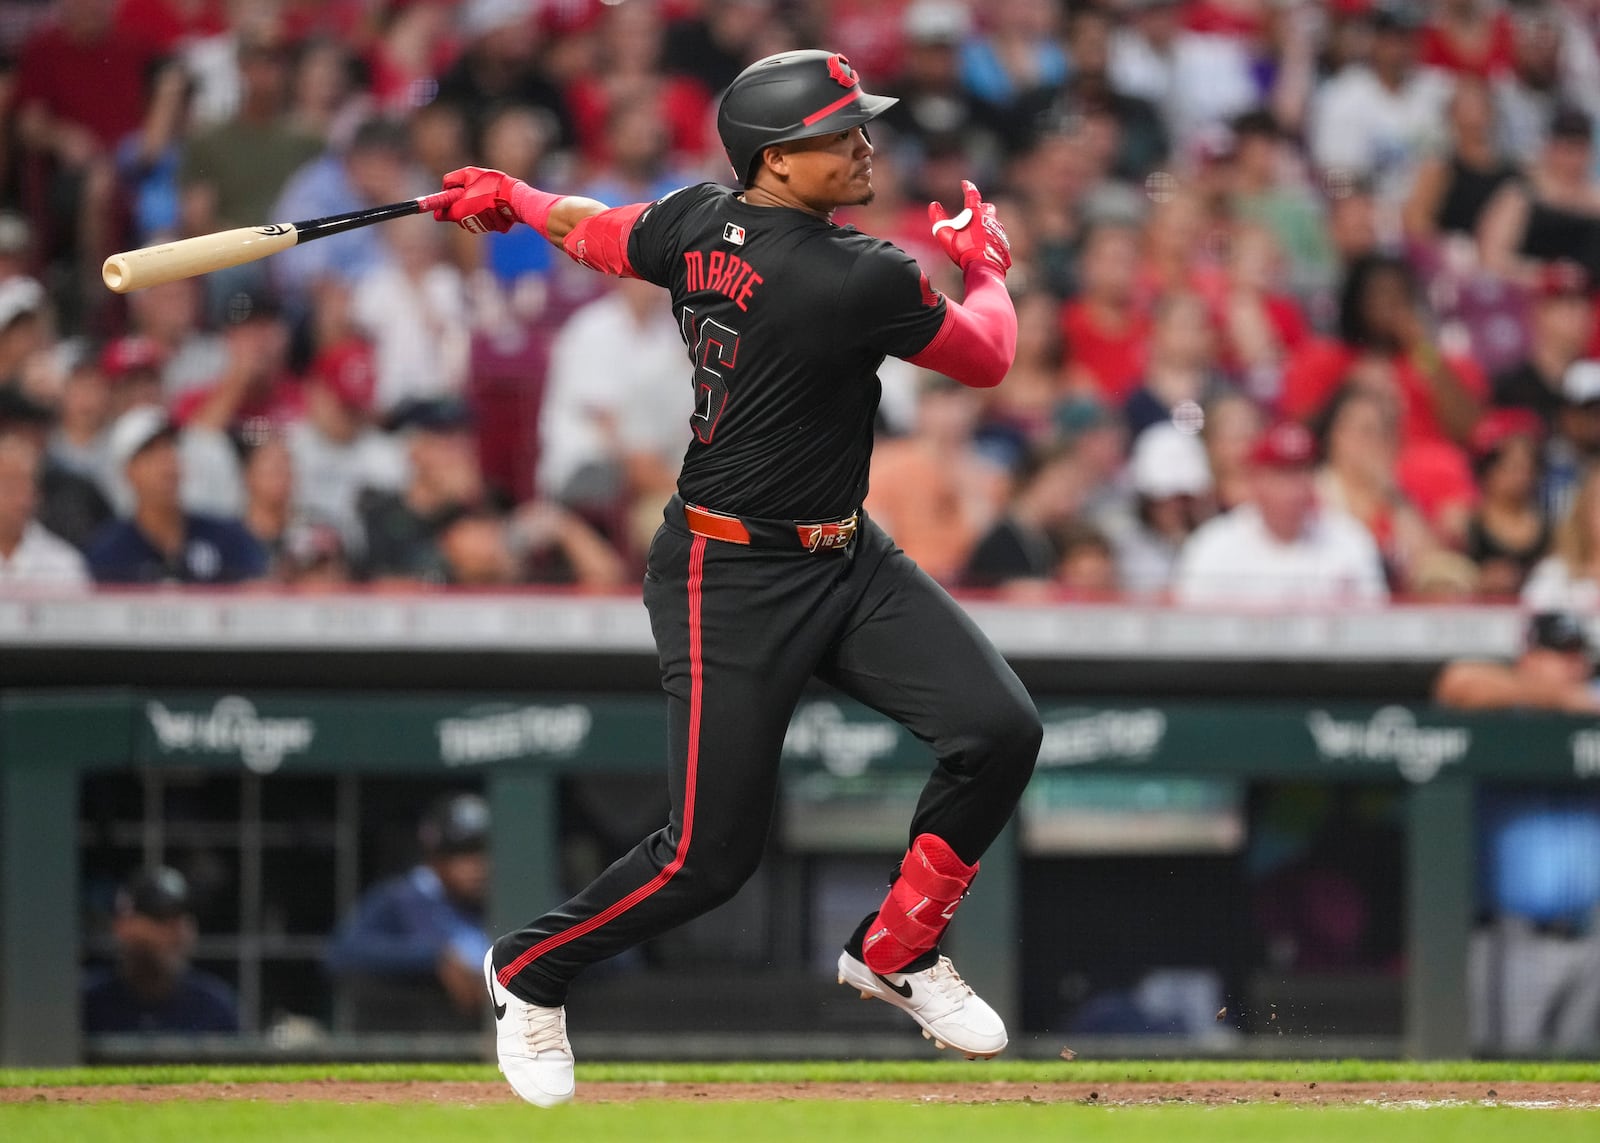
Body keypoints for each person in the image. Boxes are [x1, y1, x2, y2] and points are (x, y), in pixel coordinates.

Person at [431, 49, 1040, 1107]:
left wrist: (514, 197)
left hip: (843, 553)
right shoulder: (858, 273)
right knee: (706, 861)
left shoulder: (696, 219)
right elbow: (987, 357)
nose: (864, 147)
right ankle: (528, 973)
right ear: (777, 160)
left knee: (997, 727)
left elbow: (598, 228)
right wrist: (987, 267)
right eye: (839, 134)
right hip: (730, 575)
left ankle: (896, 949)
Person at [1433, 611, 1600, 1054]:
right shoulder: (1507, 708)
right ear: (1528, 656)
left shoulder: (1592, 703)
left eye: (1577, 655)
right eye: (1557, 653)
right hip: (1513, 938)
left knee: (1583, 1090)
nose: (1571, 665)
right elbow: (1457, 682)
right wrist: (1561, 698)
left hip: (1590, 938)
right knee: (1501, 1074)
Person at [1173, 420, 1390, 606]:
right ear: (1255, 479)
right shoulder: (1214, 546)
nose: (1294, 488)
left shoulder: (1349, 540)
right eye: (1282, 475)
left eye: (1302, 471)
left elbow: (1374, 629)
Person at [325, 793, 493, 1033]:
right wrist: (434, 957)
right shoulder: (400, 898)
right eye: (461, 853)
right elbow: (341, 953)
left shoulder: (516, 895)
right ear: (435, 857)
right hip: (429, 1037)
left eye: (485, 853)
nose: (477, 865)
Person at [85, 406, 268, 585]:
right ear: (128, 471)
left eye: (170, 447)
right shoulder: (110, 552)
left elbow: (259, 595)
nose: (166, 461)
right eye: (150, 452)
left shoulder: (227, 537)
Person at [82, 866, 240, 1035]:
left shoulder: (214, 1006)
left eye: (181, 919)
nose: (176, 931)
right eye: (161, 918)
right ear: (123, 927)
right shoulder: (87, 1003)